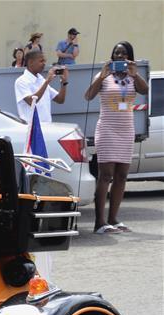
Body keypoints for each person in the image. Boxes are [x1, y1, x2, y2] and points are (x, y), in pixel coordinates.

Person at [84, 41, 148, 234]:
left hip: (126, 129)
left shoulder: (132, 76)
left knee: (122, 176)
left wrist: (135, 73)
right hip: (107, 129)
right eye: (116, 53)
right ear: (112, 57)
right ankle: (100, 223)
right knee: (106, 175)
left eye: (123, 54)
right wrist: (101, 76)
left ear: (129, 56)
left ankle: (113, 219)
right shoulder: (104, 76)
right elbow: (88, 96)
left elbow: (144, 90)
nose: (119, 57)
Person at [14, 48, 68, 123]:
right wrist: (47, 81)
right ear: (31, 62)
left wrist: (64, 82)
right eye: (41, 61)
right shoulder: (21, 81)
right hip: (32, 130)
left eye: (44, 61)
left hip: (47, 128)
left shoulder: (41, 80)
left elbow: (60, 99)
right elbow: (32, 101)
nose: (44, 63)